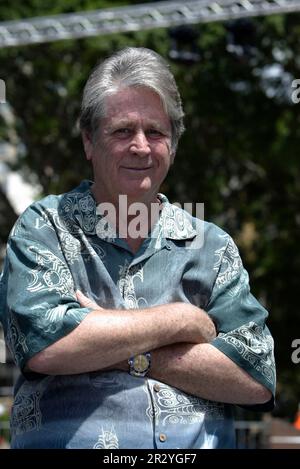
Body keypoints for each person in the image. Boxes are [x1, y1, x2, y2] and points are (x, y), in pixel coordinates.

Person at [0, 47, 275, 449]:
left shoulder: (211, 246)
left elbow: (256, 376)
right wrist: (180, 321)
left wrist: (117, 346)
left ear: (173, 145)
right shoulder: (45, 227)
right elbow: (46, 344)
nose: (141, 146)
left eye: (156, 132)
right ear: (89, 142)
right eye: (122, 131)